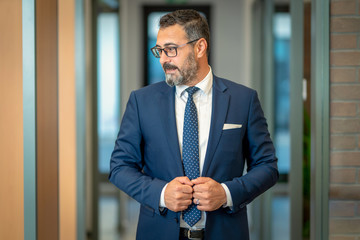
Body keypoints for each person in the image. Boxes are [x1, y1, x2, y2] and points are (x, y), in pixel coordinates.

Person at [109, 9, 278, 240]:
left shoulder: (243, 100)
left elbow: (267, 166)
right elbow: (119, 167)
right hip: (158, 232)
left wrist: (226, 193)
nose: (163, 59)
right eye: (159, 50)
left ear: (199, 47)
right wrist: (162, 193)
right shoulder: (142, 102)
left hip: (225, 233)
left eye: (171, 49)